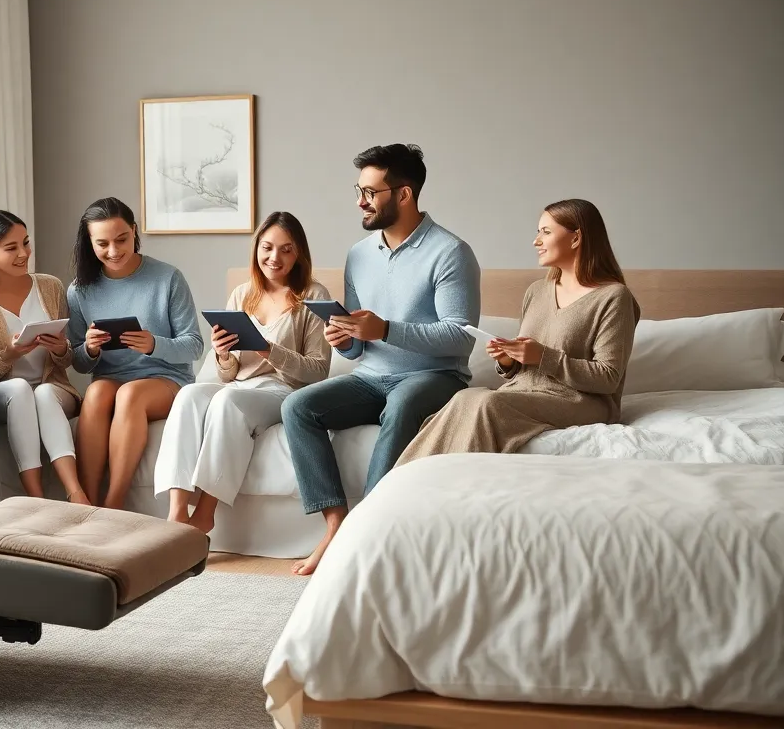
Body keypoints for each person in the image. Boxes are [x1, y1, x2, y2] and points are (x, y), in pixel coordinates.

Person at [281, 143, 480, 576]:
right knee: (298, 406)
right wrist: (343, 339)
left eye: (370, 192)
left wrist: (385, 328)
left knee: (404, 404)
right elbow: (358, 342)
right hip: (371, 375)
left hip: (435, 375)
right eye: (359, 190)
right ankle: (336, 526)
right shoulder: (358, 254)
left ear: (404, 195)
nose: (360, 201)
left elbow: (460, 337)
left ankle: (368, 533)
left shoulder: (450, 253)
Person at [397, 199, 639, 464]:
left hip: (581, 402)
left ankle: (450, 487)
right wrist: (508, 361)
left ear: (576, 238)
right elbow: (527, 368)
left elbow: (608, 378)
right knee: (464, 397)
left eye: (546, 232)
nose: (537, 241)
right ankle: (402, 486)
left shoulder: (614, 297)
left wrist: (542, 356)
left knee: (487, 404)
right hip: (524, 392)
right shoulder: (536, 292)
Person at [152, 212, 330, 533]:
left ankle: (205, 514)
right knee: (189, 394)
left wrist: (268, 349)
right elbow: (228, 374)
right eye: (267, 247)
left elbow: (317, 371)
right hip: (239, 384)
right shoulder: (242, 294)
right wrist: (222, 354)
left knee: (227, 403)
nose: (274, 258)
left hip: (281, 390)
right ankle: (177, 514)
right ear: (256, 249)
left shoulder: (313, 296)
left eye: (286, 249)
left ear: (299, 253)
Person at [66, 197, 204, 509]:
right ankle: (87, 504)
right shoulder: (79, 290)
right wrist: (88, 347)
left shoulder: (167, 278)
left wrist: (154, 343)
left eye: (121, 239)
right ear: (89, 243)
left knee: (129, 395)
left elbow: (194, 344)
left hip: (167, 378)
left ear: (134, 231)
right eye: (102, 243)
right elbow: (77, 361)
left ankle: (114, 505)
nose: (113, 251)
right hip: (111, 379)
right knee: (97, 393)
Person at [0, 210, 88, 503]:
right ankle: (36, 498)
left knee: (41, 394)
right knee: (19, 389)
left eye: (25, 243)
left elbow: (67, 360)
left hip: (52, 387)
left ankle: (75, 493)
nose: (23, 253)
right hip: (1, 394)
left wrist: (59, 349)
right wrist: (10, 354)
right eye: (11, 248)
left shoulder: (50, 286)